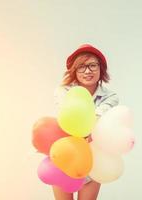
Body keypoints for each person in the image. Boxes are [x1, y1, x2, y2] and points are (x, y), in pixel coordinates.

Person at [53, 44, 119, 200]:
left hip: (93, 160)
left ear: (101, 69)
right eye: (81, 67)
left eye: (92, 65)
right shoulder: (63, 91)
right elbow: (66, 116)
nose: (87, 71)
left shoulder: (110, 97)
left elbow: (97, 117)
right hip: (65, 156)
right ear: (74, 71)